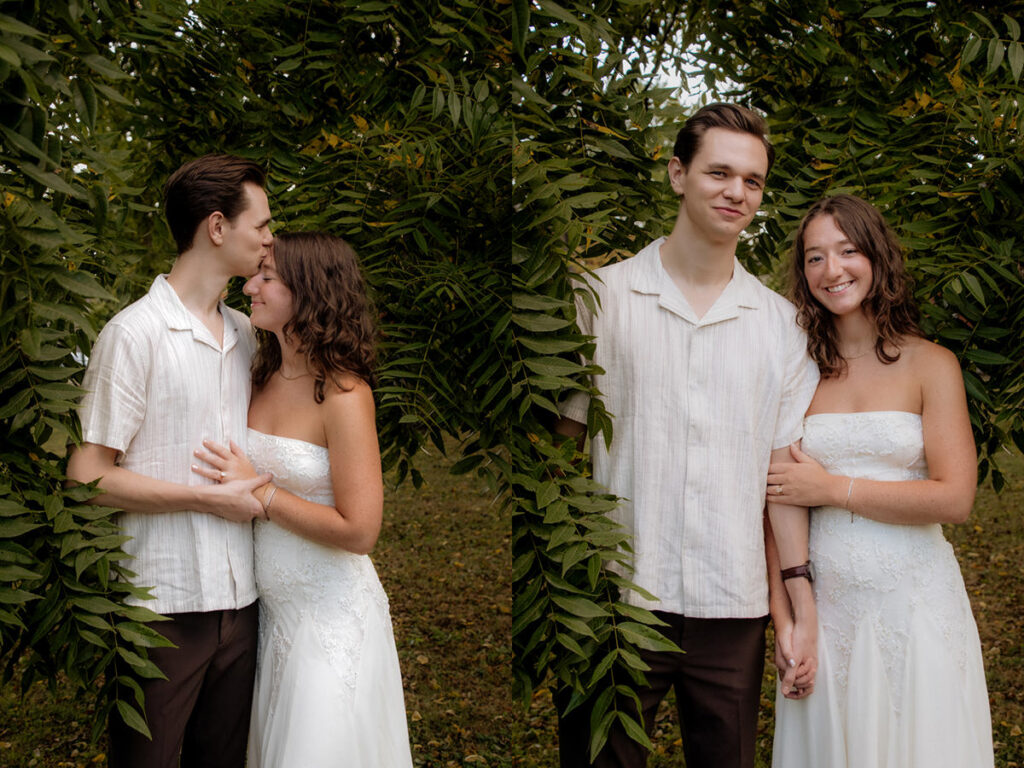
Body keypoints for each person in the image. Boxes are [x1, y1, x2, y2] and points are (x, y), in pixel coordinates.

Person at [555, 103, 820, 768]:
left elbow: (781, 478)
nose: (737, 192)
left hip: (732, 604)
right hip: (617, 598)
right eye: (719, 172)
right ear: (678, 173)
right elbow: (558, 449)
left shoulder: (783, 328)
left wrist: (796, 600)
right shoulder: (598, 299)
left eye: (753, 181)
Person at [768, 194, 995, 767]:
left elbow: (955, 497)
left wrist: (833, 490)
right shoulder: (796, 371)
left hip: (914, 604)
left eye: (847, 250)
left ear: (876, 256)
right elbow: (774, 503)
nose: (832, 270)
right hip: (824, 606)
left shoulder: (930, 364)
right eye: (814, 258)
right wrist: (788, 619)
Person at [66, 154, 274, 768]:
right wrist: (206, 497)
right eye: (261, 225)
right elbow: (86, 475)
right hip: (161, 605)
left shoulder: (247, 332)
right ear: (217, 227)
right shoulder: (132, 334)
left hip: (244, 600)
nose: (270, 239)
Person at [190, 232, 414, 767]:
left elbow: (361, 531)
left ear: (309, 292)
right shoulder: (257, 372)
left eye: (267, 278)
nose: (250, 286)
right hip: (266, 617)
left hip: (328, 617)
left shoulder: (343, 393)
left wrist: (264, 492)